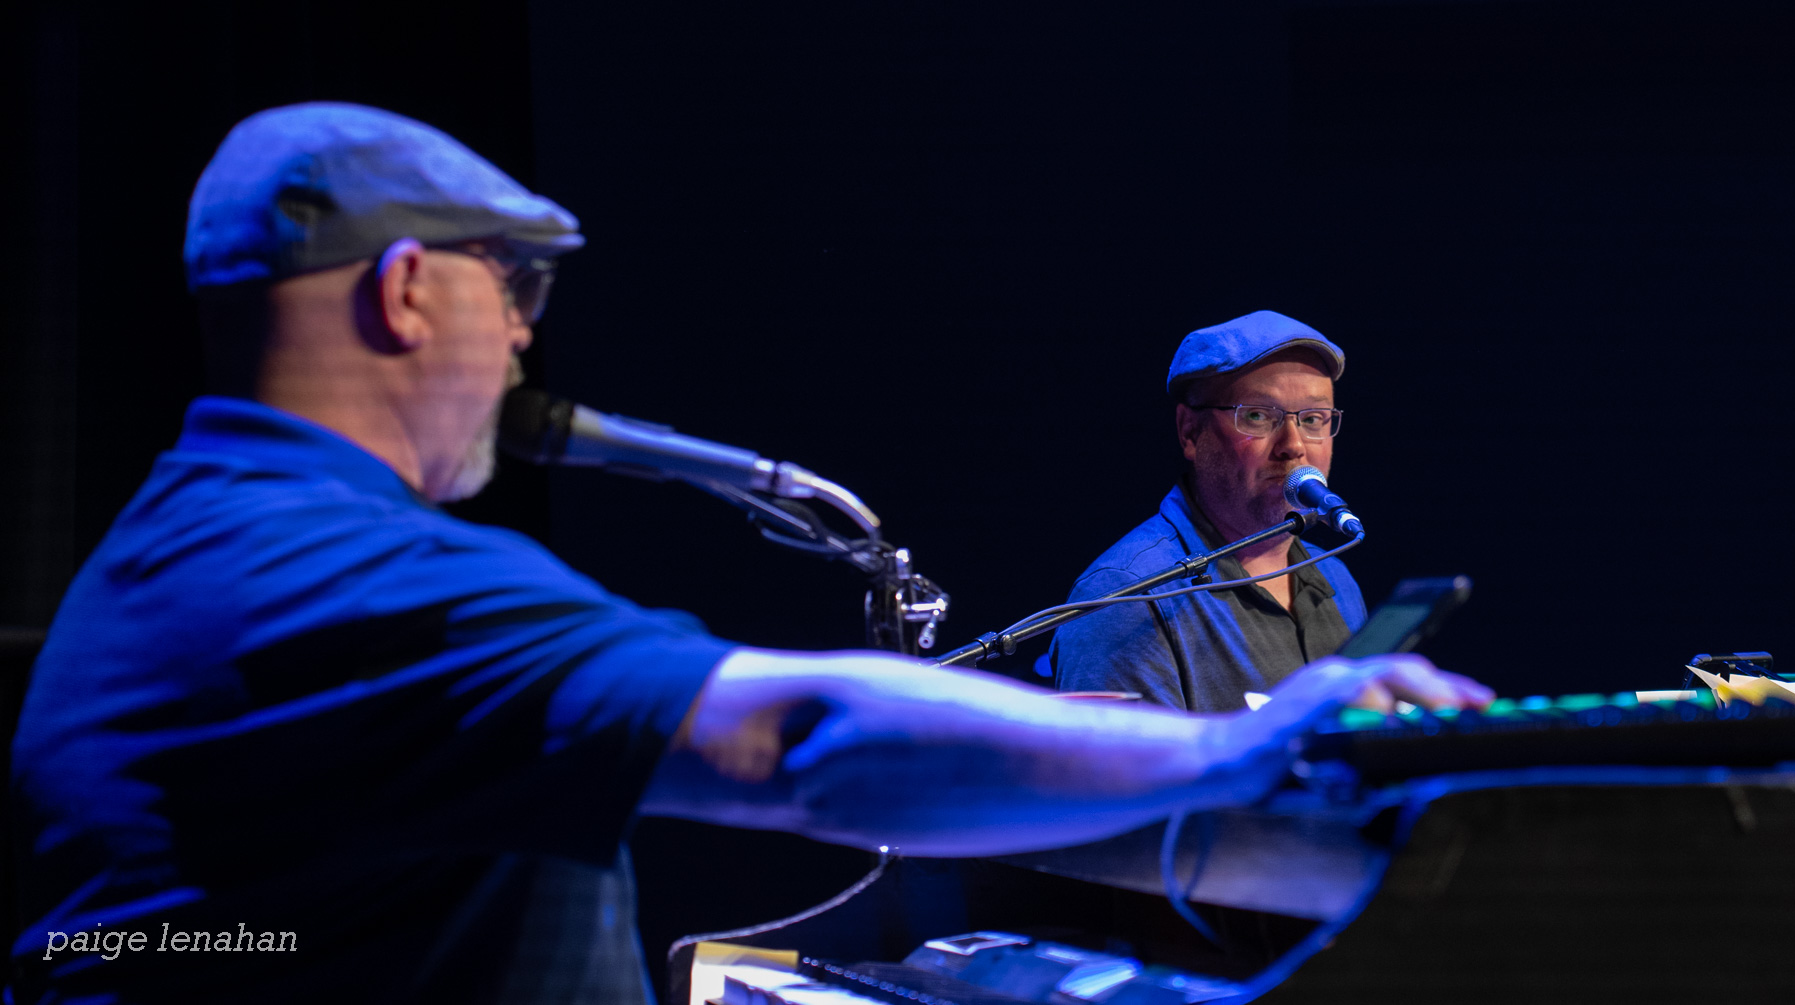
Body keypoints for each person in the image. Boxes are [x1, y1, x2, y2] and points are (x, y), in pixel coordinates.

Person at [8, 104, 1490, 1005]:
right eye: (511, 283)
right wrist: (1236, 754)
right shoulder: (332, 574)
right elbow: (793, 737)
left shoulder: (184, 541)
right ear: (405, 292)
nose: (529, 331)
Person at [1050, 312, 1464, 714]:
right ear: (1190, 433)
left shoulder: (1335, 578)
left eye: (1314, 419)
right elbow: (1133, 782)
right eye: (1257, 416)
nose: (1294, 445)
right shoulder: (1127, 597)